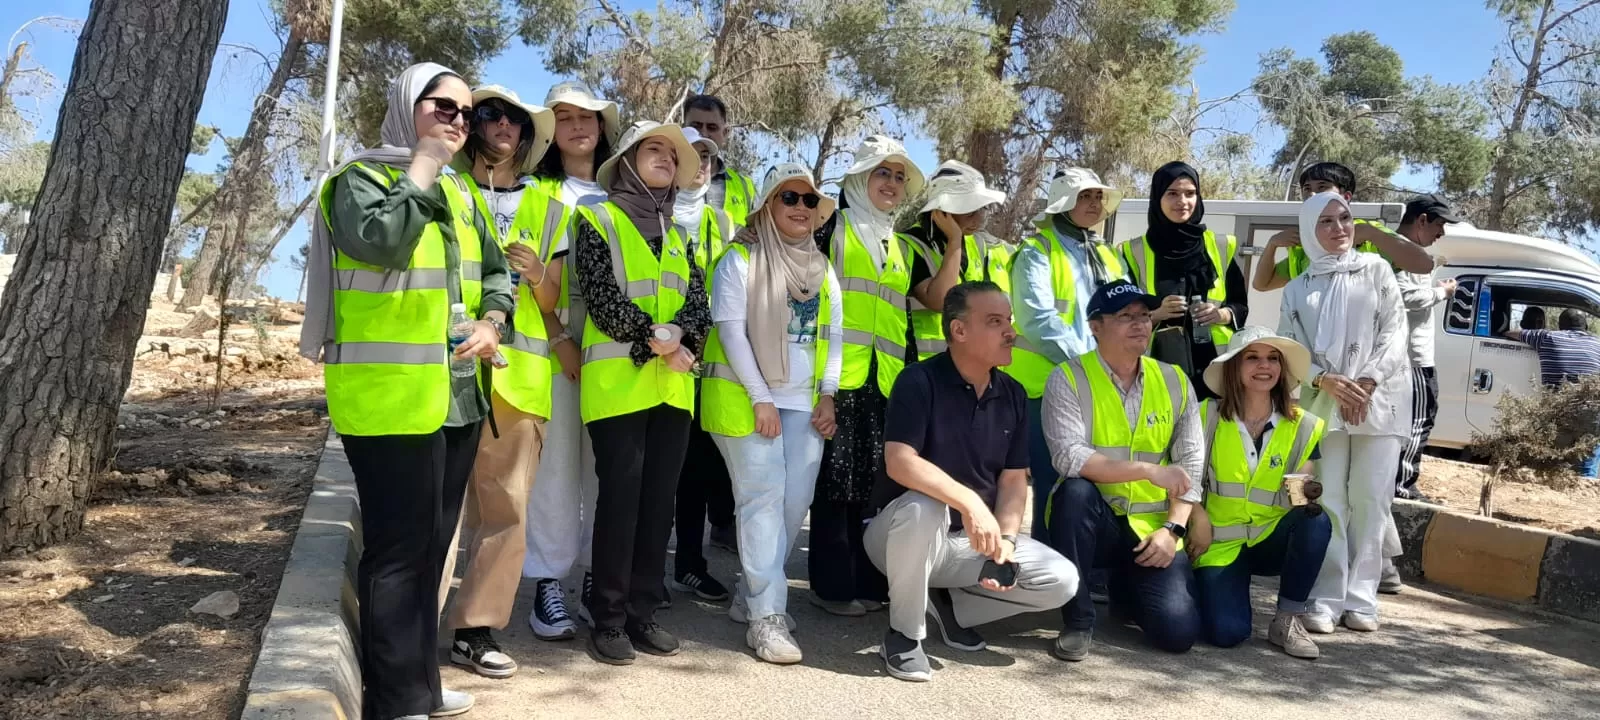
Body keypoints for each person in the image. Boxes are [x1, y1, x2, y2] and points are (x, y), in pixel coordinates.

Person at [299, 62, 513, 720]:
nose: (456, 119)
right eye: (441, 106)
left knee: (431, 552)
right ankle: (395, 701)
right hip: (388, 399)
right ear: (403, 104)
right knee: (397, 553)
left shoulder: (467, 194)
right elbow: (384, 243)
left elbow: (498, 275)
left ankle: (419, 683)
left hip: (457, 399)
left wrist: (490, 322)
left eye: (465, 111)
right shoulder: (357, 180)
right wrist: (422, 165)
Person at [867, 281, 1079, 682]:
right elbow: (899, 462)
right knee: (925, 504)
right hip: (900, 536)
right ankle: (903, 635)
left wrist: (1009, 541)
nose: (1011, 333)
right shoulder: (918, 380)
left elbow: (1014, 480)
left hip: (966, 545)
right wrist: (971, 503)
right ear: (959, 331)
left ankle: (949, 606)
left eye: (1009, 321)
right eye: (995, 322)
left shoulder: (1013, 393)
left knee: (1061, 580)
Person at [572, 120, 711, 664]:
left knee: (659, 507)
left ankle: (642, 613)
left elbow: (697, 305)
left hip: (673, 390)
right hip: (618, 389)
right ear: (628, 161)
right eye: (654, 149)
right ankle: (607, 619)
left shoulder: (680, 234)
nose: (665, 160)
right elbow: (602, 299)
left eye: (673, 157)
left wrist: (683, 342)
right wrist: (660, 341)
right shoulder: (597, 217)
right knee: (622, 503)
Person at [439, 84, 560, 678]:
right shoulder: (447, 185)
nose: (502, 124)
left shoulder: (552, 203)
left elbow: (558, 300)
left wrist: (539, 275)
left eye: (515, 117)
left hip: (519, 380)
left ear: (528, 134)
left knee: (506, 511)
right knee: (434, 510)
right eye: (488, 113)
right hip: (445, 368)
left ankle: (474, 630)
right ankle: (408, 629)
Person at [702, 163, 843, 664]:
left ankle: (751, 595)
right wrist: (761, 396)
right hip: (746, 397)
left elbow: (834, 337)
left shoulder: (822, 268)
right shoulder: (738, 261)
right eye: (789, 198)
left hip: (805, 400)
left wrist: (828, 393)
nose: (802, 208)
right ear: (766, 206)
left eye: (809, 201)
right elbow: (732, 333)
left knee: (793, 504)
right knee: (762, 500)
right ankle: (767, 618)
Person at [1039, 279, 1203, 661]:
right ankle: (1078, 620)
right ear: (1095, 326)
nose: (1140, 324)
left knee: (1177, 633)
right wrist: (1146, 470)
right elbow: (1069, 457)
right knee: (1074, 492)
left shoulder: (1175, 379)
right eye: (1125, 316)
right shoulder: (1068, 377)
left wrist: (1174, 529)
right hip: (1097, 522)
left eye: (1145, 316)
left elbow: (1191, 463)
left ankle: (1127, 587)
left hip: (1153, 529)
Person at [1278, 192, 1411, 634]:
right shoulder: (1299, 286)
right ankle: (1326, 597)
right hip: (1323, 404)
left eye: (1345, 219)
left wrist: (1367, 382)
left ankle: (1363, 598)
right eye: (1327, 222)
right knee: (1328, 500)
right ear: (1309, 232)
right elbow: (1290, 345)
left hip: (1380, 400)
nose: (1339, 229)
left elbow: (1395, 332)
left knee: (1371, 501)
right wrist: (1325, 381)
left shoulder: (1377, 271)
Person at [521, 81, 621, 641]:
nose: (579, 126)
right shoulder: (540, 192)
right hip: (552, 341)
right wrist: (560, 338)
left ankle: (594, 579)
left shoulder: (621, 193)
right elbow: (531, 277)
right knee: (557, 469)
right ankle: (548, 583)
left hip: (615, 348)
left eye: (589, 116)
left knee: (605, 470)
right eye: (564, 117)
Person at [809, 135, 924, 617]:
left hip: (887, 380)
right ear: (858, 178)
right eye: (883, 173)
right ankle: (832, 587)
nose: (892, 184)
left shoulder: (899, 244)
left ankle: (870, 582)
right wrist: (819, 385)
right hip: (835, 377)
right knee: (835, 484)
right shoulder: (829, 228)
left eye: (899, 176)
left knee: (874, 484)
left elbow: (903, 316)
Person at [1189, 327, 1331, 660]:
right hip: (1218, 544)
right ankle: (1204, 591)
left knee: (1316, 522)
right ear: (1234, 368)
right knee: (1227, 633)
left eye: (1272, 359)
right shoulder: (1205, 415)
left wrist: (1306, 494)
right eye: (1252, 358)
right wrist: (1196, 515)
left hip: (1270, 538)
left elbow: (1299, 492)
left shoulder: (1304, 425)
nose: (1263, 366)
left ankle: (1287, 620)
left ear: (1282, 370)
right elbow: (1184, 477)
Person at [1008, 168, 1128, 532]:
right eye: (1084, 196)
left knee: (1099, 484)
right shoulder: (1036, 250)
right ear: (1063, 202)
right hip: (1047, 388)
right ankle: (1048, 572)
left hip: (1102, 386)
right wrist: (1093, 364)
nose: (1093, 203)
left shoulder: (1108, 254)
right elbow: (1038, 320)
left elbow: (1127, 313)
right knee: (1054, 484)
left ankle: (1086, 571)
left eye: (1097, 196)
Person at [668, 128, 738, 603]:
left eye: (708, 157)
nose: (702, 165)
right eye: (692, 155)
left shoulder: (722, 221)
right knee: (658, 474)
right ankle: (641, 570)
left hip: (706, 365)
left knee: (696, 472)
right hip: (654, 358)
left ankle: (689, 564)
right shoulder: (649, 213)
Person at [1120, 161, 1247, 398]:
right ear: (1157, 198)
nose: (1182, 201)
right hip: (1155, 369)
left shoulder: (1221, 246)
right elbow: (1119, 314)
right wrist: (1155, 314)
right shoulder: (1132, 252)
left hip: (1215, 370)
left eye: (1190, 193)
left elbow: (1240, 305)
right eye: (1172, 194)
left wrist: (1221, 315)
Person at [1252, 162, 1434, 292]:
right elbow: (1262, 285)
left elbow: (1425, 265)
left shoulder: (1370, 233)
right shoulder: (1303, 243)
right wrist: (1271, 245)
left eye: (1322, 187)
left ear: (1346, 197)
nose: (1312, 194)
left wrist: (1371, 233)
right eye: (1307, 188)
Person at [1393, 194, 1461, 503]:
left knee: (1417, 419)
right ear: (1421, 220)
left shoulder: (1410, 253)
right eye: (1440, 224)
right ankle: (1403, 486)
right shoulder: (1400, 253)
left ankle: (1400, 482)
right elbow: (1404, 298)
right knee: (1418, 420)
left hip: (1412, 357)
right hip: (1411, 359)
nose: (1441, 233)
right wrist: (1442, 292)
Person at [905, 160, 1008, 360]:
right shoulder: (911, 244)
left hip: (970, 364)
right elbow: (940, 301)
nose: (978, 219)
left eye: (981, 209)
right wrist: (954, 241)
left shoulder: (974, 245)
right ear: (942, 211)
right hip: (927, 366)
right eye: (970, 211)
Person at [1505, 308, 1600, 477]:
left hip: (1557, 411)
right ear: (1586, 325)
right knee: (1586, 466)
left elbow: (1511, 333)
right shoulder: (1598, 344)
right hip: (1592, 415)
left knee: (1553, 465)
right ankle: (1583, 495)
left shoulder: (1547, 337)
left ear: (1560, 326)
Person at [683, 93, 759, 227]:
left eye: (712, 128)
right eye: (696, 126)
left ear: (725, 133)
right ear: (683, 129)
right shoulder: (666, 180)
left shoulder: (746, 187)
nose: (704, 133)